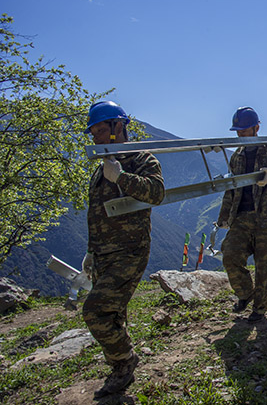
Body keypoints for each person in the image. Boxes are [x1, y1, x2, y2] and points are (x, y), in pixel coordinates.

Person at [81, 101, 165, 398]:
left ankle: (126, 360)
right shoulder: (101, 168)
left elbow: (156, 193)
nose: (95, 136)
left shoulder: (141, 159)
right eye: (93, 131)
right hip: (103, 253)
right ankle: (119, 369)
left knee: (94, 311)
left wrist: (122, 178)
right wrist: (91, 252)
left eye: (101, 129)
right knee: (113, 314)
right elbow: (97, 213)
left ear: (118, 128)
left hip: (130, 251)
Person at [217, 107, 267, 323]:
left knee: (264, 264)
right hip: (241, 216)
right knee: (230, 256)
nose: (240, 135)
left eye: (244, 130)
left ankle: (259, 309)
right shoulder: (237, 157)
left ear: (256, 128)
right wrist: (224, 217)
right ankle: (246, 293)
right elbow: (231, 187)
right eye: (238, 131)